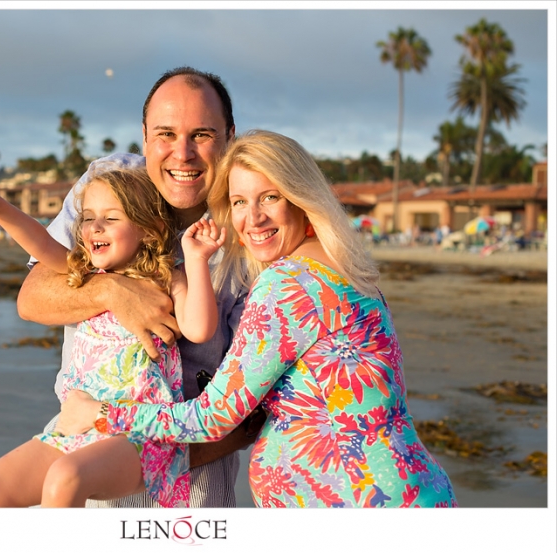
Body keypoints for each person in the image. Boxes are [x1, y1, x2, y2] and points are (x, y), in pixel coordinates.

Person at [58, 130, 459, 508]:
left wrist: (100, 414)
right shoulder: (343, 268)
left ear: (300, 198)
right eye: (238, 202)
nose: (253, 218)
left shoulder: (289, 285)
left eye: (269, 197)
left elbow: (211, 418)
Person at [0, 67, 258, 509]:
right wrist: (112, 292)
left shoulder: (251, 221)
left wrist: (164, 447)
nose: (182, 153)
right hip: (78, 434)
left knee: (66, 482)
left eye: (201, 134)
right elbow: (34, 292)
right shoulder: (111, 185)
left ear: (229, 136)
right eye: (165, 134)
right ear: (143, 136)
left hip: (180, 466)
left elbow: (252, 407)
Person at [0, 168, 226, 507]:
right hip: (78, 429)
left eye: (111, 218)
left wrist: (198, 260)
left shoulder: (167, 279)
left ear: (148, 229)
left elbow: (199, 329)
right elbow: (41, 242)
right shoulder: (84, 275)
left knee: (65, 478)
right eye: (88, 218)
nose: (95, 227)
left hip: (141, 433)